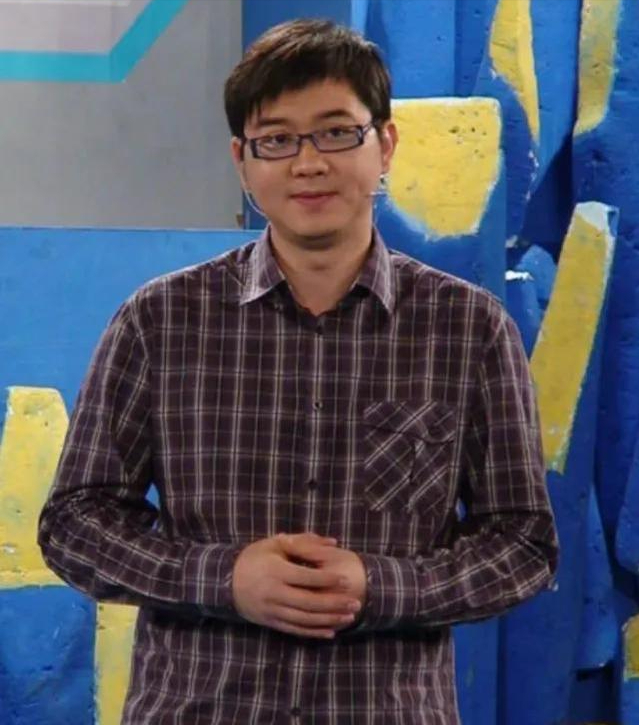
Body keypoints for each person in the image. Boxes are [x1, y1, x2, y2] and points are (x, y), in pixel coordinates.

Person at [38, 18, 559, 725]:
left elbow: (522, 543)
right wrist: (224, 578)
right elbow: (75, 522)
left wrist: (380, 586)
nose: (307, 163)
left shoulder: (467, 328)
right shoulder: (160, 320)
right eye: (277, 140)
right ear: (242, 161)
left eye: (336, 132)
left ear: (385, 145)